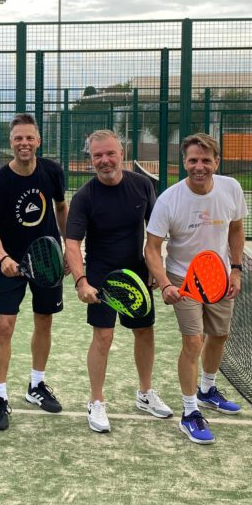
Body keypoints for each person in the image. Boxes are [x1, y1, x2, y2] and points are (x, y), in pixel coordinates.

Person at [65, 129, 172, 433]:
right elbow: (72, 244)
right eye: (97, 155)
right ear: (91, 159)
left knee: (144, 332)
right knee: (103, 337)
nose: (104, 160)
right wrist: (81, 281)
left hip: (136, 273)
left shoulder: (142, 186)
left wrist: (156, 265)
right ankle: (96, 401)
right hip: (100, 275)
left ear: (122, 154)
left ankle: (145, 393)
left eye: (110, 153)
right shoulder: (85, 196)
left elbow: (155, 231)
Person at [145, 132, 247, 446]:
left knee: (219, 335)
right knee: (193, 342)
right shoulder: (169, 199)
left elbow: (236, 228)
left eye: (205, 160)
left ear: (216, 162)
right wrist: (164, 285)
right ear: (184, 163)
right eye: (192, 160)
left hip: (219, 278)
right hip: (182, 279)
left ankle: (207, 389)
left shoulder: (231, 188)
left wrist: (236, 268)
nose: (199, 166)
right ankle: (190, 413)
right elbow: (152, 248)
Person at [0, 113, 68, 431]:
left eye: (29, 137)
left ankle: (36, 385)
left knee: (44, 321)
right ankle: (0, 397)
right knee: (5, 327)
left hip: (47, 260)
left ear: (39, 140)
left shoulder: (53, 172)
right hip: (11, 264)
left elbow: (61, 207)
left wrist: (67, 249)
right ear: (11, 143)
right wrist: (3, 257)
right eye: (18, 138)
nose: (24, 143)